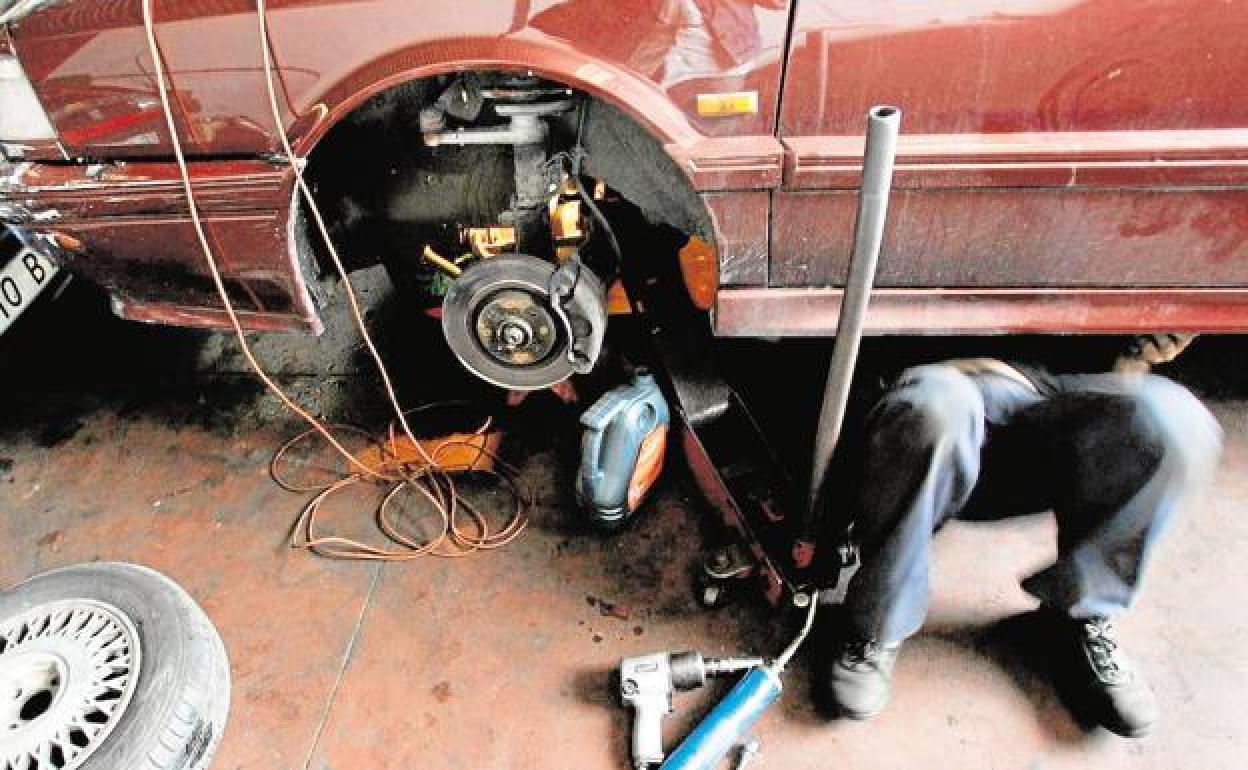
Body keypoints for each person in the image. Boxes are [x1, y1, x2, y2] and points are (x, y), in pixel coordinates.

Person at [820, 335, 1222, 737]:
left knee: (1175, 421)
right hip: (947, 376)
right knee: (936, 407)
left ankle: (1081, 612)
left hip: (1064, 389)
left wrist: (1154, 333)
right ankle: (878, 621)